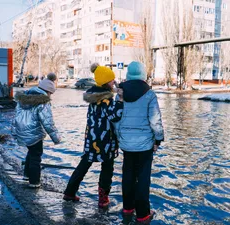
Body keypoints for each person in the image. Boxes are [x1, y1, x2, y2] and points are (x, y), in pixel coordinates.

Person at [63, 63, 124, 208]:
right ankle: (103, 199)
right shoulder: (106, 100)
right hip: (105, 140)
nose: (114, 82)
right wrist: (120, 100)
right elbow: (115, 116)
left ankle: (69, 192)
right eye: (111, 80)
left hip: (91, 138)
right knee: (107, 168)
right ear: (105, 83)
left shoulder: (94, 98)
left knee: (84, 164)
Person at [114, 61, 164, 224]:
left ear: (128, 75)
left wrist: (120, 137)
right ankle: (143, 214)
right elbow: (155, 120)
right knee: (143, 178)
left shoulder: (120, 93)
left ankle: (128, 208)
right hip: (144, 145)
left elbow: (116, 119)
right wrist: (158, 138)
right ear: (143, 74)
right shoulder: (150, 94)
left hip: (127, 144)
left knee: (128, 175)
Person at [12, 77, 61, 188]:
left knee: (31, 152)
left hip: (22, 130)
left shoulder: (23, 97)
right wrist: (56, 138)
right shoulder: (43, 102)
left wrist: (14, 132)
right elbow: (48, 122)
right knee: (36, 156)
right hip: (34, 132)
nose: (50, 96)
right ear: (48, 91)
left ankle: (26, 176)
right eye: (51, 93)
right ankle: (34, 182)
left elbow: (16, 116)